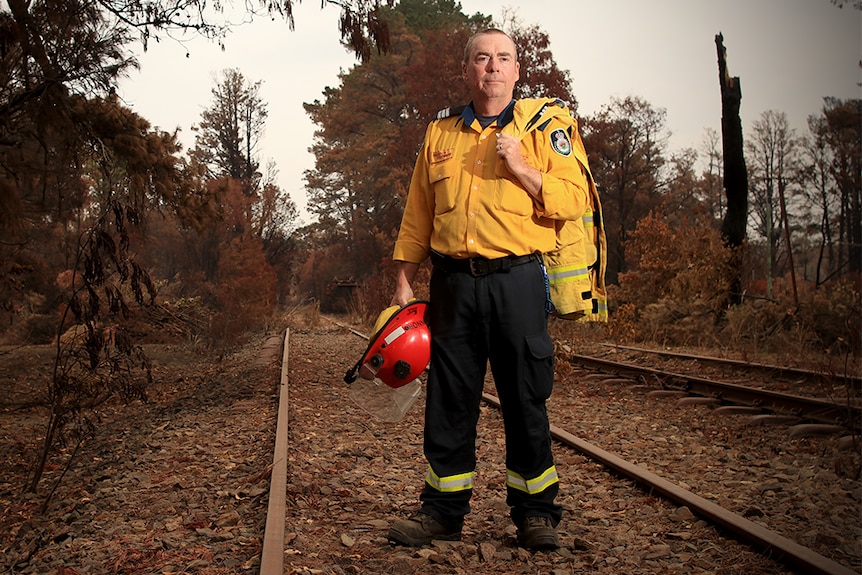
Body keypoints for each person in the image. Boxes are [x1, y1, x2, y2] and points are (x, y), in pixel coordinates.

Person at [386, 27, 591, 551]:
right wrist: (404, 281)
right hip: (454, 284)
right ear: (467, 71)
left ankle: (536, 514)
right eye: (482, 59)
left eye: (503, 59)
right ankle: (442, 512)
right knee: (450, 400)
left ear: (518, 71)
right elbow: (418, 215)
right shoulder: (440, 135)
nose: (493, 67)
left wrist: (522, 166)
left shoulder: (545, 128)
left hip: (518, 280)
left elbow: (571, 199)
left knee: (525, 397)